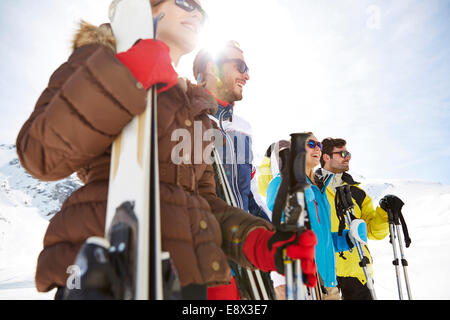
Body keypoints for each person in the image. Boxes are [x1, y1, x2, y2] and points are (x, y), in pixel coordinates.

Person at [16, 0, 317, 300]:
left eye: (202, 10)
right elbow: (39, 155)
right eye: (186, 3)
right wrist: (125, 75)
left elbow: (203, 203)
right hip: (99, 267)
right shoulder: (100, 59)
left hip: (188, 278)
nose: (197, 13)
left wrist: (258, 241)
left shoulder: (195, 109)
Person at [192, 41, 274, 300]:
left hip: (248, 258)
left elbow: (248, 195)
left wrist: (276, 238)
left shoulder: (243, 128)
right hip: (206, 263)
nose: (247, 75)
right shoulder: (185, 118)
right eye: (240, 66)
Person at [266, 133, 365, 300]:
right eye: (311, 144)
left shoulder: (319, 189)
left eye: (319, 144)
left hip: (327, 283)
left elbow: (323, 240)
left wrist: (348, 238)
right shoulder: (281, 182)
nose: (318, 148)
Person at [320, 137, 389, 300]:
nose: (348, 157)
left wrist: (385, 214)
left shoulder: (357, 193)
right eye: (342, 153)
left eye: (348, 153)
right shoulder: (314, 188)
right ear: (326, 157)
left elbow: (372, 231)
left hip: (358, 271)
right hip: (326, 271)